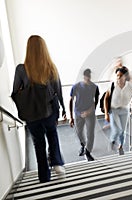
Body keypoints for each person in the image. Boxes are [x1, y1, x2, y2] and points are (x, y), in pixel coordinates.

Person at [12, 35, 66, 183]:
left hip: (31, 114)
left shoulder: (21, 69)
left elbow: (15, 91)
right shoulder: (50, 67)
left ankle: (44, 177)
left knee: (38, 143)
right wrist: (63, 108)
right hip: (49, 110)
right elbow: (58, 90)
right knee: (52, 135)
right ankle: (57, 163)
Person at [104, 66, 132, 155]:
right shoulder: (112, 85)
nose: (118, 77)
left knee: (122, 131)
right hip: (114, 110)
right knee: (117, 130)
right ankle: (112, 141)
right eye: (117, 75)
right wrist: (106, 114)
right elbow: (106, 99)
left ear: (125, 76)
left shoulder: (130, 86)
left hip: (124, 110)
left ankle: (121, 146)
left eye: (120, 75)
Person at [69, 69, 100, 161]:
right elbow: (71, 100)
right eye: (86, 76)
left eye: (89, 76)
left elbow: (96, 101)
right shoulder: (76, 86)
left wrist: (89, 111)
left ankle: (88, 152)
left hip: (90, 114)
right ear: (84, 77)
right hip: (78, 113)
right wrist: (71, 117)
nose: (88, 78)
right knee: (79, 132)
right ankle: (83, 145)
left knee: (90, 134)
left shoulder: (94, 87)